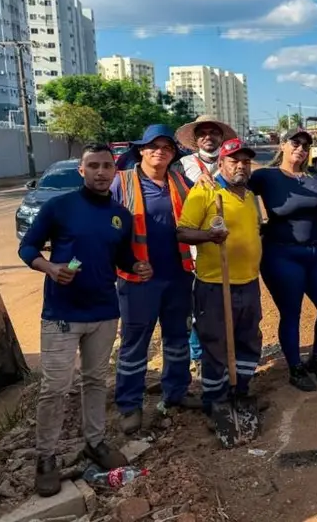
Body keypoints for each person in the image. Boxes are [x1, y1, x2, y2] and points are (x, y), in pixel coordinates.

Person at [19, 144, 152, 497]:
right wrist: (49, 268)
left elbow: (123, 258)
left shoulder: (120, 215)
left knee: (95, 381)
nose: (100, 172)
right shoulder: (59, 207)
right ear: (82, 170)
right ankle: (46, 458)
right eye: (92, 165)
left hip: (104, 312)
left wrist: (137, 265)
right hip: (62, 314)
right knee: (55, 388)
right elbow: (27, 248)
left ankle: (95, 442)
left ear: (114, 171)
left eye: (107, 166)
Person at [110, 125, 200, 435]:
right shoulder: (121, 183)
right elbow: (107, 229)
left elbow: (199, 210)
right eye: (152, 146)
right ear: (141, 150)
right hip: (138, 279)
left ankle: (176, 392)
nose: (159, 151)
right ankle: (129, 405)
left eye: (166, 147)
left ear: (174, 154)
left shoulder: (179, 181)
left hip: (177, 275)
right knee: (135, 344)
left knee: (177, 339)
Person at [176, 138, 264, 436]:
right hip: (215, 284)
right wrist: (210, 236)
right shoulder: (206, 191)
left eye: (245, 161)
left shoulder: (251, 197)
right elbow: (182, 231)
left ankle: (240, 391)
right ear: (222, 164)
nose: (240, 165)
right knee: (216, 342)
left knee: (248, 339)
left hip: (249, 283)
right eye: (233, 160)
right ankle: (215, 399)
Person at [249, 128, 317, 392]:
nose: (300, 148)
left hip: (314, 253)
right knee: (292, 313)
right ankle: (295, 368)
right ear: (283, 145)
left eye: (305, 145)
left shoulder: (315, 177)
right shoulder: (266, 177)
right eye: (295, 143)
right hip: (281, 254)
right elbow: (234, 189)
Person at [175, 115, 239, 368]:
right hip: (191, 244)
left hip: (225, 243)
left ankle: (223, 351)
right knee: (196, 303)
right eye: (203, 133)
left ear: (221, 137)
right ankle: (197, 355)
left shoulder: (230, 164)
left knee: (223, 302)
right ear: (195, 138)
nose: (208, 137)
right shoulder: (181, 166)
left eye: (214, 132)